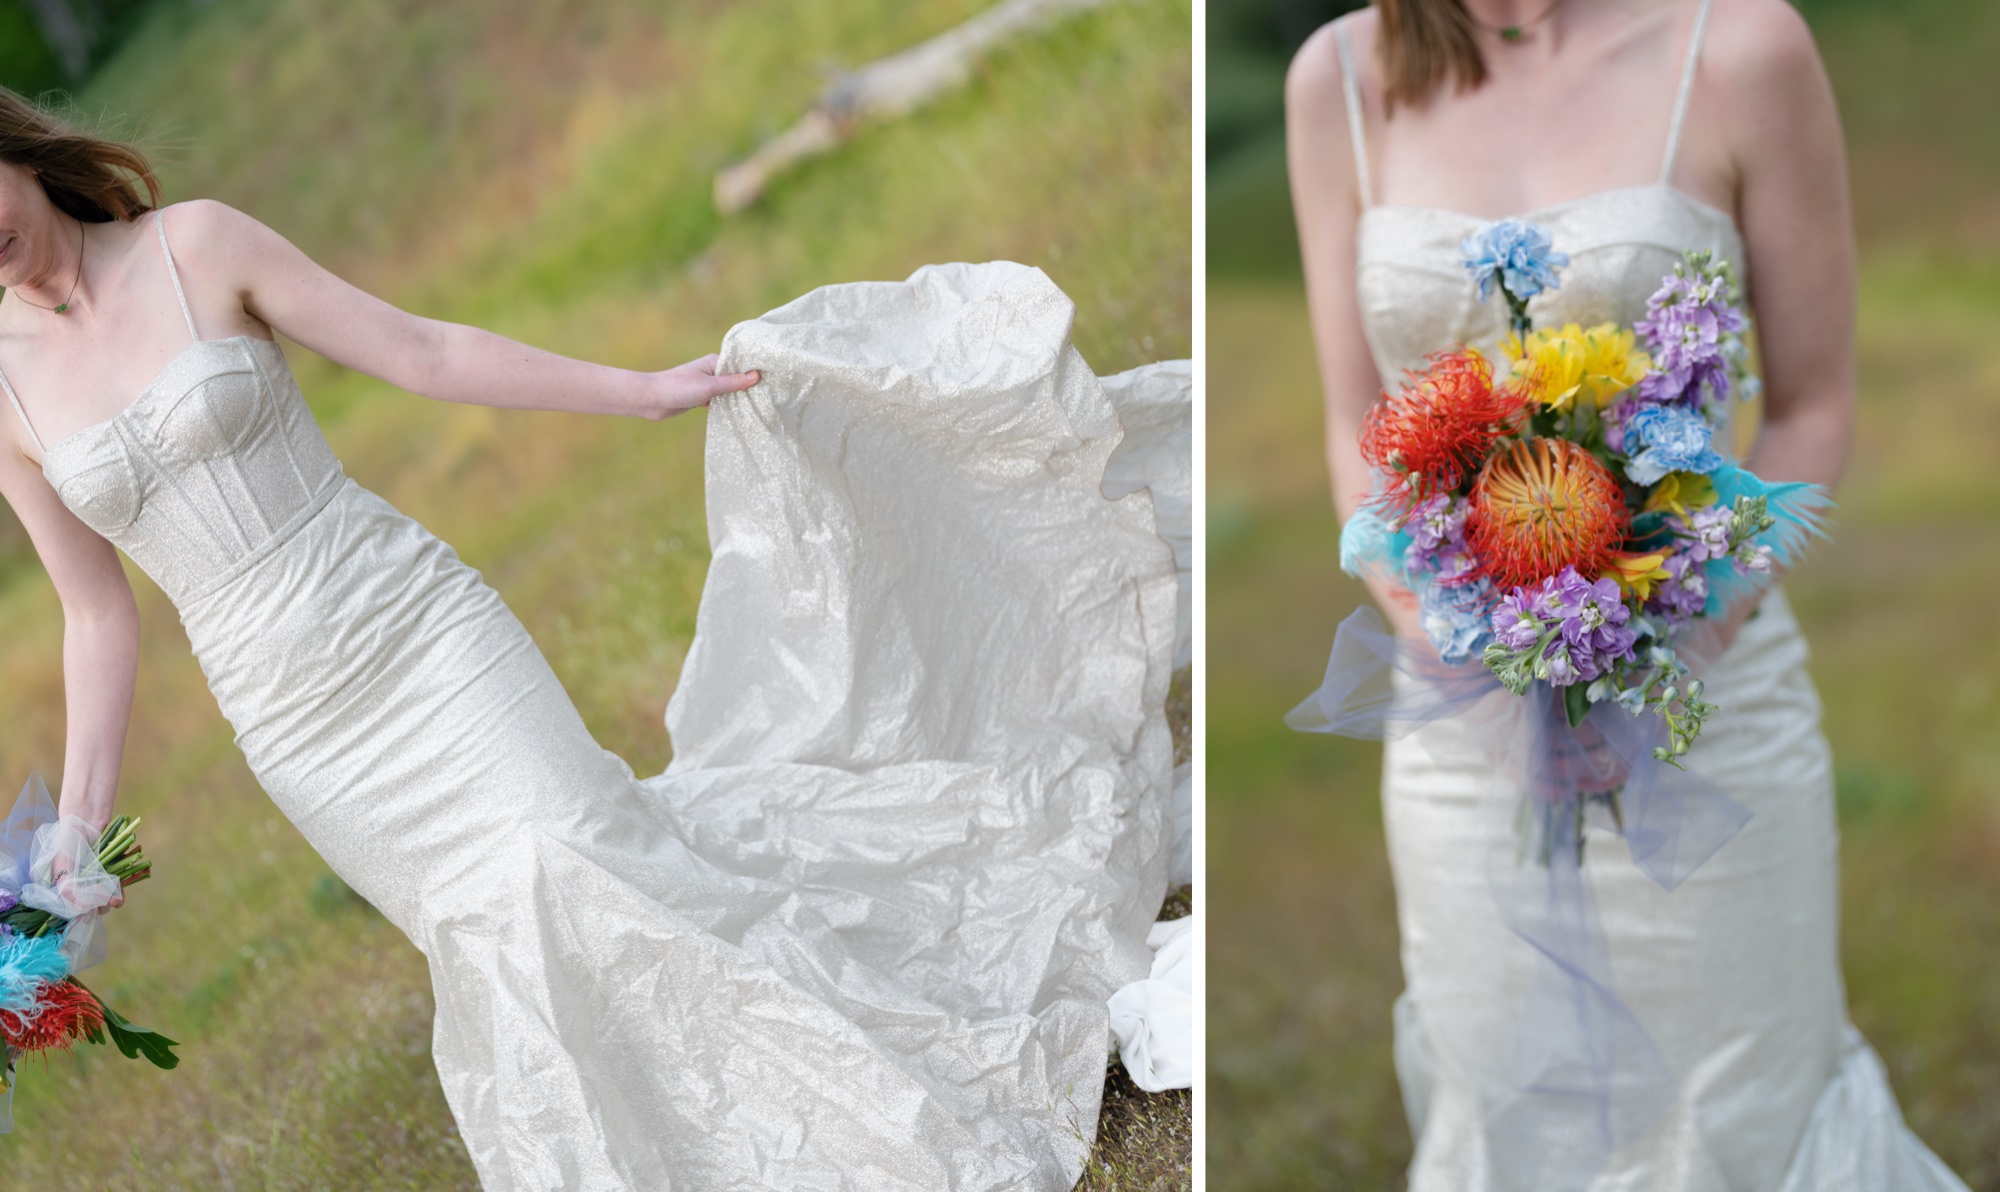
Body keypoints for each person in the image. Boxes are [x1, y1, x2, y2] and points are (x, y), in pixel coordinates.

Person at [0, 88, 1177, 1190]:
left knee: (574, 849)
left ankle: (877, 1082)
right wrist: (81, 833)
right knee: (504, 943)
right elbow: (95, 610)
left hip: (415, 628)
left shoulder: (195, 245)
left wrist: (636, 390)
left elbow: (425, 352)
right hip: (300, 725)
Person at [1284, 0, 1968, 1187]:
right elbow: (1355, 422)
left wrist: (1678, 639)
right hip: (1460, 732)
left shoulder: (1742, 46)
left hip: (1706, 710)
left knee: (1734, 1109)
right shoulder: (1338, 75)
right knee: (1510, 1105)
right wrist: (1453, 646)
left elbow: (1810, 404)